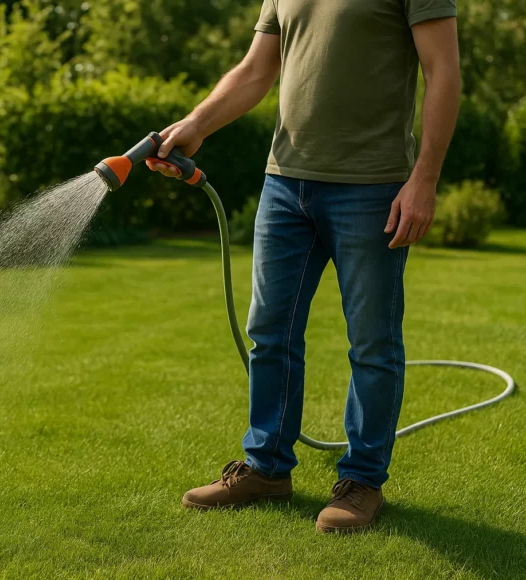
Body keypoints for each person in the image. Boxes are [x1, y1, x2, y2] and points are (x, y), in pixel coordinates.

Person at [149, 0, 461, 532]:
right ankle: (266, 468)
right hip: (284, 184)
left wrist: (424, 179)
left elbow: (443, 71)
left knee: (372, 344)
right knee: (270, 332)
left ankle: (361, 481)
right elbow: (256, 69)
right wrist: (198, 122)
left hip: (372, 187)